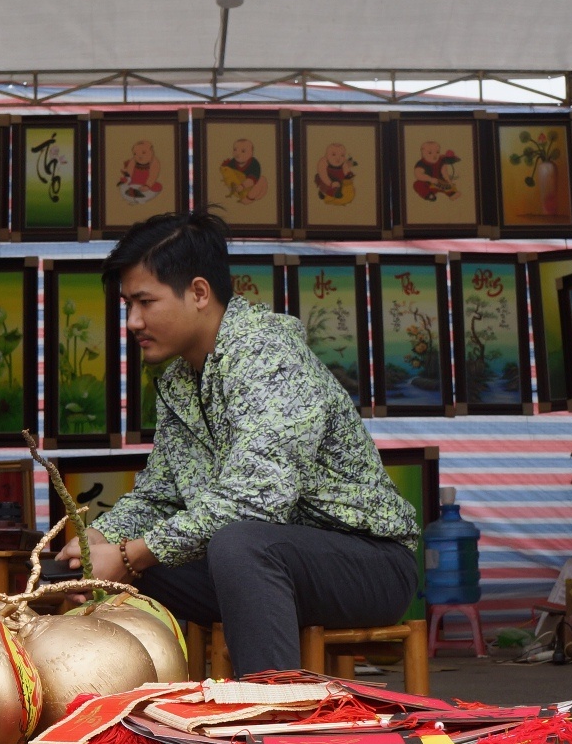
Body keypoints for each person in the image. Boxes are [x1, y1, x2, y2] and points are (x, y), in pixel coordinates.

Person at [58, 212, 419, 676]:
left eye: (145, 302)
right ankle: (152, 715)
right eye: (128, 304)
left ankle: (271, 720)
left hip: (370, 563)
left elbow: (254, 503)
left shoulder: (269, 357)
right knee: (125, 570)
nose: (133, 321)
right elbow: (159, 495)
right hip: (270, 560)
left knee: (237, 543)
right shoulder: (180, 380)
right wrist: (103, 540)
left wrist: (129, 553)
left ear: (199, 293)